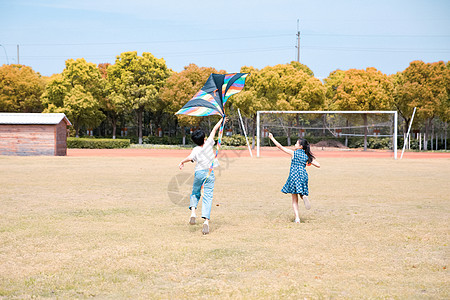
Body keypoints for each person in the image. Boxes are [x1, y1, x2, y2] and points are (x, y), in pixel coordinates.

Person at [178, 117, 227, 234]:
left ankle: (193, 212)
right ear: (204, 138)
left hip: (199, 173)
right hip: (209, 173)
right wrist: (222, 121)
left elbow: (190, 158)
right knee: (208, 196)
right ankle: (206, 221)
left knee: (195, 193)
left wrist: (181, 162)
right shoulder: (209, 143)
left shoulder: (195, 149)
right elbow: (215, 129)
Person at [268, 133, 320, 223]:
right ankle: (303, 196)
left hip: (294, 175)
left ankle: (297, 218)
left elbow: (280, 147)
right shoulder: (307, 156)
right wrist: (308, 162)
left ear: (300, 146)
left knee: (294, 199)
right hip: (303, 175)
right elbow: (318, 165)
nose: (295, 145)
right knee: (300, 191)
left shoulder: (293, 153)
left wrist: (272, 138)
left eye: (296, 143)